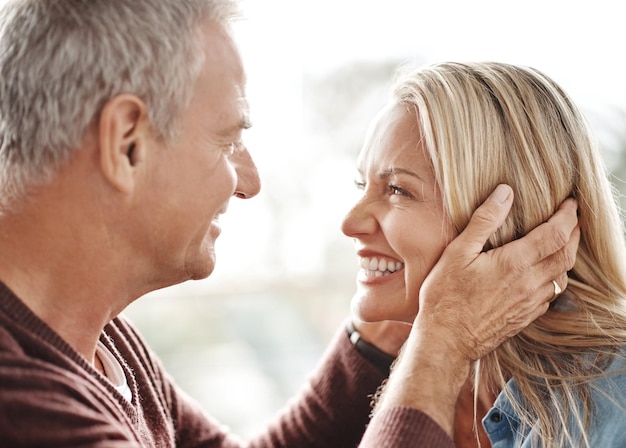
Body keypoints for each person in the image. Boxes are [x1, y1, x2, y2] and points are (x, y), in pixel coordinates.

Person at [0, 1, 578, 446]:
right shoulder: (22, 406)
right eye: (228, 142)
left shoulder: (101, 346)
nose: (248, 182)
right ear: (126, 143)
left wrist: (378, 335)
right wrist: (442, 344)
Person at [342, 60, 626, 447]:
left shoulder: (610, 397)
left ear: (503, 220)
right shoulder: (416, 378)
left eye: (396, 189)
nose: (350, 222)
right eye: (362, 184)